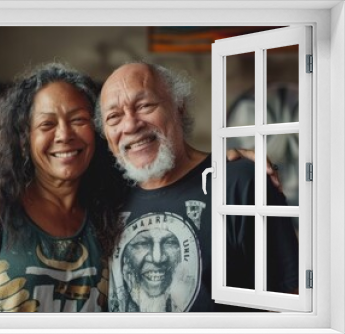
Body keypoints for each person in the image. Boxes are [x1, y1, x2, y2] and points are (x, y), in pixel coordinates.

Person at [95, 62, 299, 312]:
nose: (130, 125)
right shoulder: (107, 199)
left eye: (144, 106)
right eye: (114, 117)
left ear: (178, 106)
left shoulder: (239, 183)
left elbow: (292, 299)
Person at [0, 63, 123, 312]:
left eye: (78, 120)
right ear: (24, 139)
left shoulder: (114, 210)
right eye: (47, 125)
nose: (64, 135)